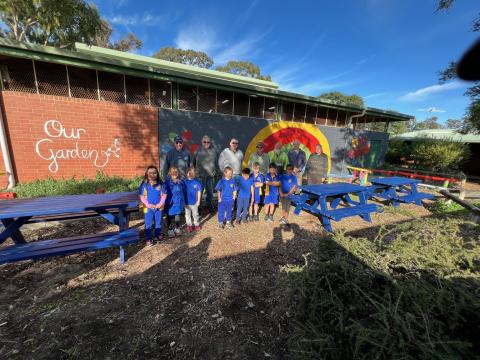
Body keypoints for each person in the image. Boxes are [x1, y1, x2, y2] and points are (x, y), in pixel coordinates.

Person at [139, 165, 167, 246]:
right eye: (150, 173)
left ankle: (158, 235)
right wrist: (148, 204)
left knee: (158, 223)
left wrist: (159, 204)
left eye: (154, 173)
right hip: (147, 208)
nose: (152, 175)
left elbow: (164, 195)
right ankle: (148, 239)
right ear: (147, 174)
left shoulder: (161, 184)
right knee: (148, 224)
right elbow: (141, 196)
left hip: (159, 207)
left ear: (157, 174)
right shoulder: (144, 184)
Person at [193, 135, 217, 211]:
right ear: (202, 142)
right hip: (200, 176)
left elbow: (216, 163)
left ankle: (209, 205)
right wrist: (194, 172)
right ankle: (198, 207)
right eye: (204, 142)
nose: (206, 143)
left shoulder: (213, 151)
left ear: (210, 142)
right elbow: (193, 162)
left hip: (210, 176)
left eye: (208, 142)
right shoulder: (197, 150)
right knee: (199, 192)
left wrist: (215, 172)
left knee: (210, 192)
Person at [164, 166, 186, 238]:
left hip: (178, 202)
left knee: (177, 215)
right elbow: (164, 192)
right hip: (170, 203)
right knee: (169, 216)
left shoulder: (180, 181)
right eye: (173, 173)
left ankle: (177, 227)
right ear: (170, 173)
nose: (175, 174)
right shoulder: (167, 182)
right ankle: (170, 229)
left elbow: (184, 189)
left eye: (176, 173)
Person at [184, 167, 202, 233]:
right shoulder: (184, 182)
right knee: (187, 215)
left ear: (194, 174)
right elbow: (182, 192)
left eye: (192, 173)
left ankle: (196, 224)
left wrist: (198, 201)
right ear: (187, 173)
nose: (191, 174)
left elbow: (199, 192)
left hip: (194, 202)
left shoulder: (197, 182)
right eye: (189, 173)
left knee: (195, 214)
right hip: (186, 202)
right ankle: (189, 226)